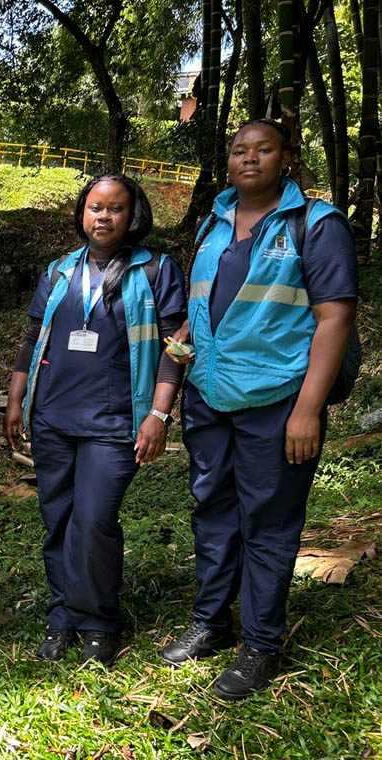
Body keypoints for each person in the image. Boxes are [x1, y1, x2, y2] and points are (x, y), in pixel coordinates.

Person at [160, 119, 357, 699]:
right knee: (213, 511)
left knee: (268, 525)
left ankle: (261, 645)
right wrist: (172, 385)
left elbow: (334, 319)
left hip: (278, 403)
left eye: (263, 149)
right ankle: (211, 623)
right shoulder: (213, 223)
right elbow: (197, 315)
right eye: (240, 149)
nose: (250, 158)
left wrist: (307, 411)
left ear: (286, 157)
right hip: (211, 398)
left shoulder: (315, 225)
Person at [4, 174, 187, 666]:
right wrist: (18, 394)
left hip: (115, 422)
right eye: (94, 207)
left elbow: (178, 345)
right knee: (58, 519)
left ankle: (100, 620)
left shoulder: (155, 270)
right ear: (82, 213)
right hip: (53, 418)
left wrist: (158, 413)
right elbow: (33, 334)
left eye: (115, 208)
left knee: (95, 521)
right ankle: (63, 614)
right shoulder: (61, 270)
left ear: (133, 216)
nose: (103, 216)